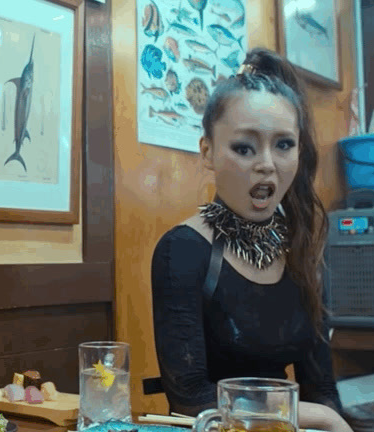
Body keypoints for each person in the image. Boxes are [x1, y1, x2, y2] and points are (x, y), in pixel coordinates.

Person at [150, 48, 352, 432]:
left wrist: (326, 413)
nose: (267, 164)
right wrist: (322, 418)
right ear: (207, 152)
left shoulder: (301, 247)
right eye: (244, 148)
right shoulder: (182, 250)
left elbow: (321, 386)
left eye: (284, 145)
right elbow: (191, 399)